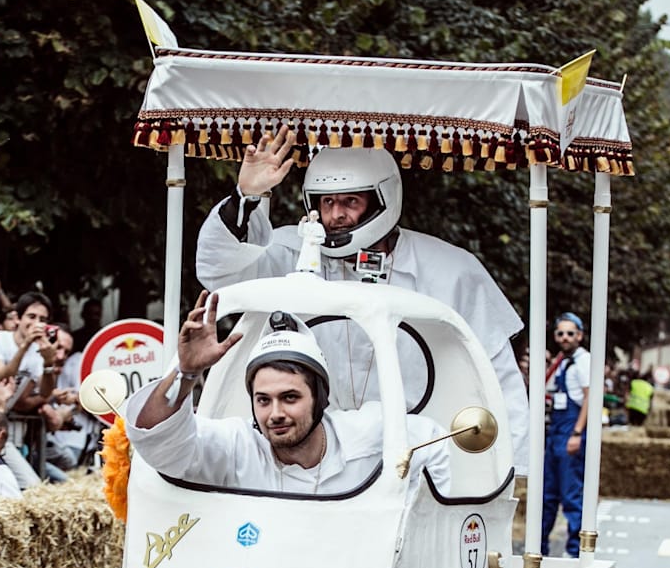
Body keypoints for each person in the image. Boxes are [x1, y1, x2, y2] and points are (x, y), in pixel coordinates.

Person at [194, 133, 529, 469]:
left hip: (414, 452)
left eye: (350, 201)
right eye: (327, 202)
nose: (336, 214)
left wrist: (516, 468)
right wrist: (246, 197)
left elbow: (497, 375)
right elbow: (219, 272)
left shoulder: (451, 270)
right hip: (312, 455)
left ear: (383, 199)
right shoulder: (291, 251)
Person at [126, 291, 449, 495]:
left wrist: (412, 525)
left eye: (290, 397)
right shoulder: (237, 444)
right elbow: (158, 441)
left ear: (320, 398)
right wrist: (187, 373)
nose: (275, 413)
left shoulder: (369, 431)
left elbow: (434, 444)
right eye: (263, 400)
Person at [541, 312, 589, 558]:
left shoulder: (583, 361)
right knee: (547, 493)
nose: (565, 337)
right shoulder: (560, 361)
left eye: (570, 333)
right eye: (561, 333)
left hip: (571, 431)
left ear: (579, 335)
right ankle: (540, 550)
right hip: (555, 433)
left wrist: (577, 433)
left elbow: (590, 397)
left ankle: (574, 552)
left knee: (571, 495)